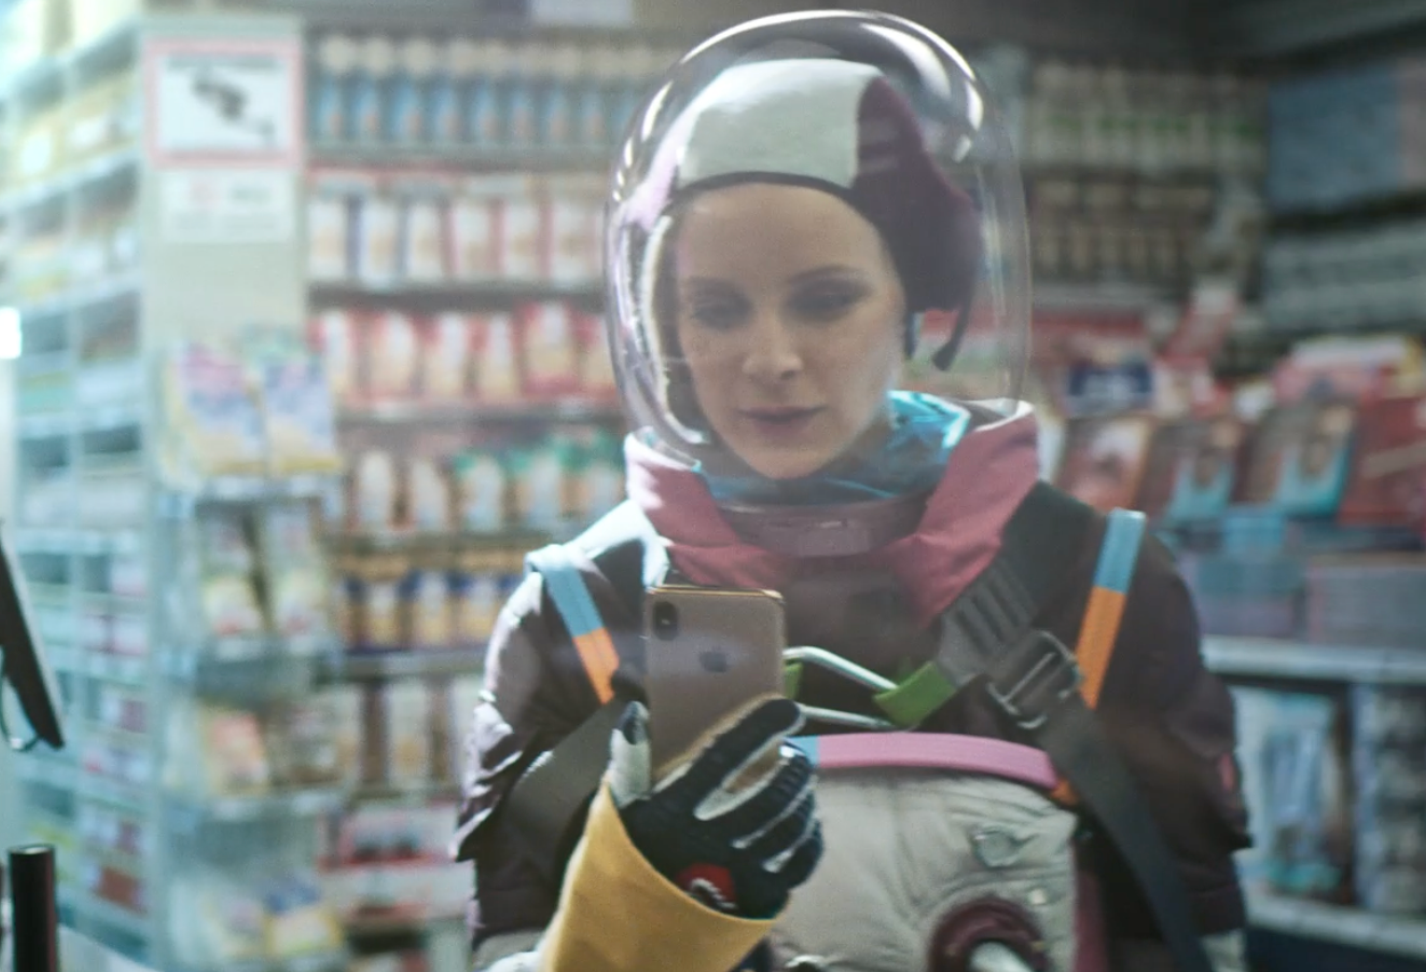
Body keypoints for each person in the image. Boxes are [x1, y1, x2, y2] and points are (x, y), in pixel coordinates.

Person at [453, 13, 1251, 972]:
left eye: (825, 300)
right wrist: (631, 923)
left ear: (915, 299)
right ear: (664, 328)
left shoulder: (1100, 590)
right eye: (716, 309)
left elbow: (1186, 942)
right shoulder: (580, 614)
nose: (771, 359)